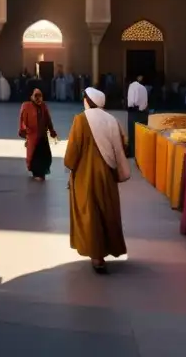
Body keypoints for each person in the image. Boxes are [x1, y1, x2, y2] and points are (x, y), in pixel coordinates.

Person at [64, 87, 130, 274]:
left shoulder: (81, 120)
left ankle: (97, 257)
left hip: (86, 175)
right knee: (106, 211)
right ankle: (106, 251)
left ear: (88, 101)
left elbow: (72, 152)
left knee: (90, 214)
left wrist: (69, 165)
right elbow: (123, 146)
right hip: (107, 175)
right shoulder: (112, 120)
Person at [19, 88, 59, 180]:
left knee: (44, 156)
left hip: (43, 138)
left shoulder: (44, 106)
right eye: (36, 96)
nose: (38, 99)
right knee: (34, 157)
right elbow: (22, 121)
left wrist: (52, 130)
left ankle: (41, 174)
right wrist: (26, 134)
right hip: (33, 138)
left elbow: (48, 119)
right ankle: (37, 174)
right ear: (31, 97)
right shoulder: (26, 106)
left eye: (40, 96)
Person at [125, 75, 149, 158]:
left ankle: (133, 154)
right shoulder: (143, 88)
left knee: (132, 135)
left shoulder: (132, 86)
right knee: (141, 135)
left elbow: (132, 102)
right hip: (143, 113)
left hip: (134, 113)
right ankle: (141, 153)